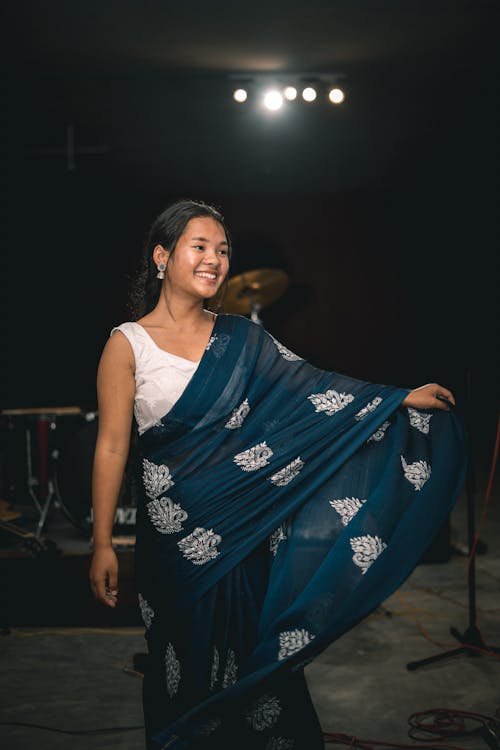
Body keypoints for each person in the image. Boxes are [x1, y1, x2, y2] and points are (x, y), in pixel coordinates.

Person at [89, 198, 467, 750]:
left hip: (247, 535)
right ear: (162, 256)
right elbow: (111, 447)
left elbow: (316, 393)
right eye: (200, 247)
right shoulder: (128, 345)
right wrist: (102, 542)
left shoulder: (243, 338)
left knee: (257, 671)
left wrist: (397, 400)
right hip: (174, 549)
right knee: (181, 668)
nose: (215, 260)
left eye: (223, 250)